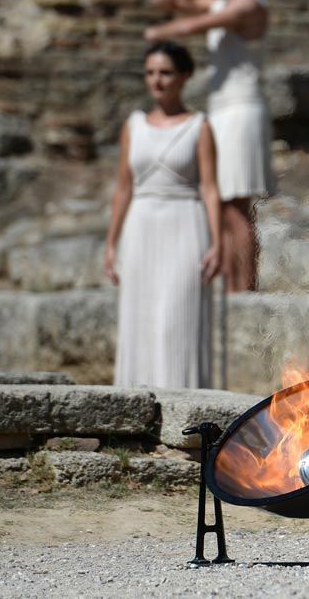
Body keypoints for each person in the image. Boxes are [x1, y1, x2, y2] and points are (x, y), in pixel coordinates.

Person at [145, 0, 271, 292]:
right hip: (222, 111)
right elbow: (159, 3)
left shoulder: (250, 5)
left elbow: (190, 26)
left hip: (242, 110)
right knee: (222, 206)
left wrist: (156, 33)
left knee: (236, 207)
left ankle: (245, 290)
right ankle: (234, 287)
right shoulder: (219, 3)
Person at [105, 41, 222, 389]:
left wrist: (217, 244)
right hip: (140, 226)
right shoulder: (134, 126)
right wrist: (111, 244)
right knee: (139, 316)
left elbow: (210, 187)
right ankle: (133, 402)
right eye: (151, 73)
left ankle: (182, 404)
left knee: (177, 318)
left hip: (185, 224)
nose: (157, 81)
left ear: (184, 76)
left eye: (166, 73)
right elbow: (124, 187)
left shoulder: (199, 126)